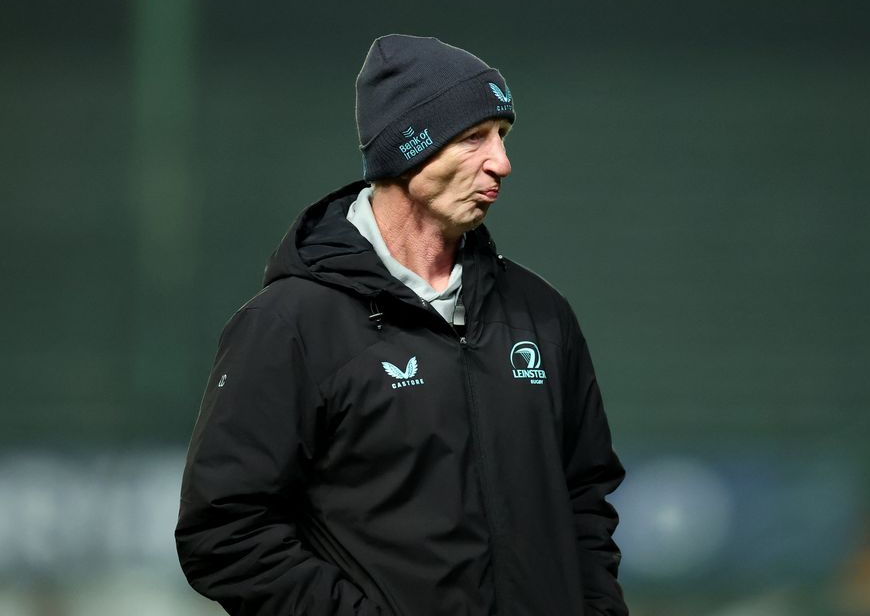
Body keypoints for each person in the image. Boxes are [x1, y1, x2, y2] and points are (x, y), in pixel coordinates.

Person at [175, 34, 627, 616]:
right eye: (473, 139)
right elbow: (224, 534)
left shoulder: (542, 314)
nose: (502, 163)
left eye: (503, 137)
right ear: (409, 150)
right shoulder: (288, 325)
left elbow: (586, 501)